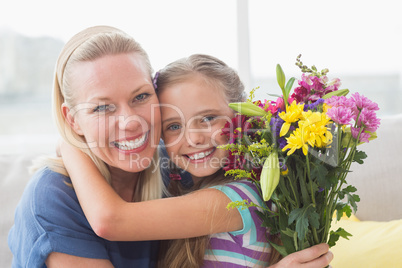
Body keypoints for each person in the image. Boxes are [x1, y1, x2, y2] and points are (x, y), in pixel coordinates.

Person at [60, 54, 334, 267]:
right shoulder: (194, 187)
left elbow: (112, 221)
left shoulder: (236, 199)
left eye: (208, 118)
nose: (193, 138)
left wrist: (71, 146)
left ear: (242, 116)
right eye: (173, 126)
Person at [8, 26, 165, 267]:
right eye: (102, 107)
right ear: (72, 120)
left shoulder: (177, 168)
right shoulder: (52, 195)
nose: (130, 122)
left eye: (141, 96)